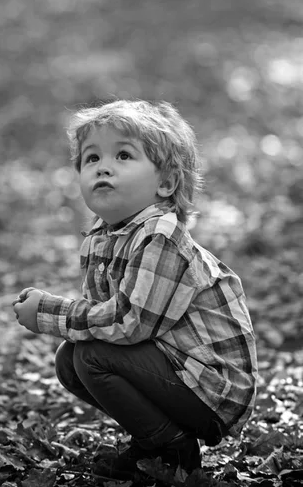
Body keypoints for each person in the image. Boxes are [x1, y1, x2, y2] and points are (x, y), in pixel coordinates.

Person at [13, 99, 258, 481]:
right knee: (71, 357)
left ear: (165, 183)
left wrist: (50, 312)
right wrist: (64, 321)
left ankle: (172, 449)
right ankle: (157, 439)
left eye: (123, 155)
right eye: (91, 159)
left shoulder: (161, 236)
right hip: (177, 371)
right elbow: (101, 319)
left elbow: (128, 323)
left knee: (91, 354)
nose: (103, 166)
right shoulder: (102, 237)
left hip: (213, 389)